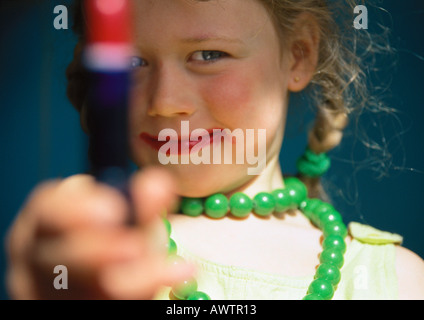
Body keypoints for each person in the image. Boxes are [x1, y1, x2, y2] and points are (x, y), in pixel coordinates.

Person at [6, 0, 424, 300]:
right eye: (133, 63)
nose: (166, 102)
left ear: (298, 55)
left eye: (209, 55)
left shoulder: (399, 281)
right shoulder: (105, 242)